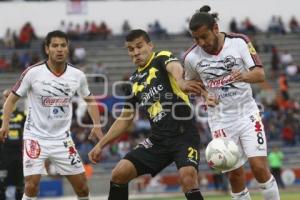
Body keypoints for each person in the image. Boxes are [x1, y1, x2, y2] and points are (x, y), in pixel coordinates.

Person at [88, 29, 204, 200]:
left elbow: (174, 67)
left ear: (150, 45)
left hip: (183, 135)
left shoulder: (161, 58)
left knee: (187, 177)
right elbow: (125, 119)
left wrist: (180, 81)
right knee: (119, 173)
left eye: (139, 46)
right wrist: (100, 145)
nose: (135, 52)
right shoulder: (134, 81)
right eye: (130, 49)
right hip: (158, 140)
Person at [184, 5, 280, 200]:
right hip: (220, 120)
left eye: (204, 36)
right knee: (235, 175)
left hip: (246, 113)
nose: (201, 43)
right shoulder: (192, 58)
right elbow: (187, 85)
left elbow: (260, 74)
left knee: (259, 167)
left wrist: (243, 76)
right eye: (196, 39)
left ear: (215, 29)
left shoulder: (239, 42)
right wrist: (203, 93)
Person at [0, 30, 103, 200]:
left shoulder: (77, 76)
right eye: (55, 45)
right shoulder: (32, 73)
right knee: (31, 185)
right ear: (47, 49)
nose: (59, 49)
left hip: (62, 140)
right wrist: (5, 124)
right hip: (35, 138)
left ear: (68, 49)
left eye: (63, 45)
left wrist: (97, 126)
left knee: (83, 188)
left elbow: (91, 101)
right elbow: (11, 100)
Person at [0, 89, 26, 200]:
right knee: (2, 185)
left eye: (9, 96)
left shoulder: (22, 115)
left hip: (19, 154)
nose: (7, 98)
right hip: (3, 154)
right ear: (2, 99)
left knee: (20, 184)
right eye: (5, 96)